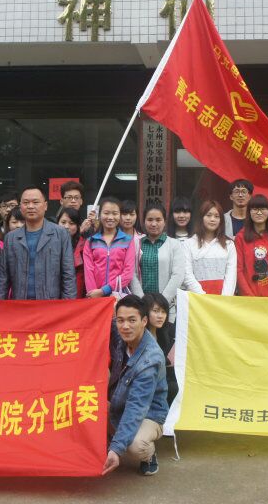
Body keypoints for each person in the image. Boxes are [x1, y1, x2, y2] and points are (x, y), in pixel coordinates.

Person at [102, 295, 168, 477]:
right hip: (119, 402)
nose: (125, 326)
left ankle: (149, 454)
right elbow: (103, 321)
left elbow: (136, 407)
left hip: (148, 413)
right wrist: (106, 305)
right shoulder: (122, 334)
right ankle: (112, 438)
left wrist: (116, 449)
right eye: (120, 320)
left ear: (144, 321)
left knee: (136, 446)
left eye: (132, 320)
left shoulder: (151, 359)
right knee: (85, 404)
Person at [0, 186, 77, 300]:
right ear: (20, 206)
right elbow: (3, 277)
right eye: (26, 203)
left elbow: (68, 274)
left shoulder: (61, 234)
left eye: (35, 202)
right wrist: (1, 304)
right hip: (20, 303)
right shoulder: (11, 238)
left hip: (51, 304)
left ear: (45, 205)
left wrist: (68, 304)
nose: (30, 206)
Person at [130, 203, 186, 320]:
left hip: (166, 306)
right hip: (141, 305)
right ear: (144, 221)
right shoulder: (136, 243)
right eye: (150, 220)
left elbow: (178, 275)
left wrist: (161, 302)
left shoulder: (174, 244)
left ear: (165, 222)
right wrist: (142, 301)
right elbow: (132, 274)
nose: (154, 224)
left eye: (158, 220)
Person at [234, 194, 268, 297]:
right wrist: (250, 297)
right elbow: (238, 270)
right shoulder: (240, 237)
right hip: (249, 299)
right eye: (255, 209)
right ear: (249, 212)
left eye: (263, 209)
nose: (259, 212)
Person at [83, 197, 136, 298]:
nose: (110, 217)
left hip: (118, 297)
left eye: (115, 213)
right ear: (99, 215)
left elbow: (128, 273)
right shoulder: (91, 241)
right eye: (106, 213)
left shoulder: (128, 240)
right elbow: (88, 271)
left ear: (120, 215)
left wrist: (104, 291)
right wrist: (93, 293)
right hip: (95, 296)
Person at [184, 200, 237, 295]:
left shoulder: (229, 245)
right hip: (197, 299)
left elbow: (231, 276)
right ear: (201, 217)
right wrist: (204, 297)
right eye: (208, 215)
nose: (212, 219)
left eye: (217, 216)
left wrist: (223, 298)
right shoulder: (189, 244)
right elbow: (187, 275)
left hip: (222, 300)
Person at [143, 293, 177, 405]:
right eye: (156, 311)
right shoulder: (138, 335)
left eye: (163, 312)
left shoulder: (169, 332)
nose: (160, 316)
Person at [58, 207, 87, 298]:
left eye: (72, 223)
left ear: (78, 226)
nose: (66, 226)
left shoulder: (84, 245)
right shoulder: (50, 243)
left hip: (77, 290)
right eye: (63, 222)